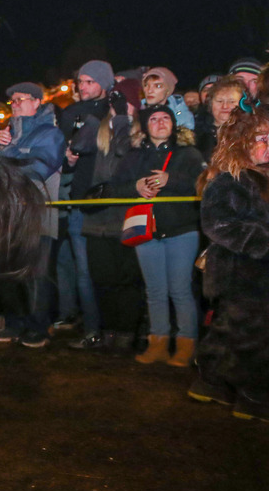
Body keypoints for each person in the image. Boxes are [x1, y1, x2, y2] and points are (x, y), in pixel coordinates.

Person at [108, 105, 202, 366]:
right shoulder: (134, 156)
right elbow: (115, 188)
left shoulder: (189, 154)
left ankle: (186, 344)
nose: (160, 123)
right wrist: (135, 186)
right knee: (155, 290)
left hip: (182, 230)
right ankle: (157, 343)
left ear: (173, 124)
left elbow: (203, 184)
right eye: (154, 119)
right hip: (146, 231)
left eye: (165, 118)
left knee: (180, 289)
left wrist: (170, 180)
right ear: (146, 126)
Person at [190, 109, 269, 419]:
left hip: (256, 272)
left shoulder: (263, 178)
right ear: (241, 142)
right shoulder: (229, 180)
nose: (268, 145)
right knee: (254, 334)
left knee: (231, 328)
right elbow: (218, 224)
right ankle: (254, 396)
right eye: (261, 138)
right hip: (242, 271)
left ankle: (210, 382)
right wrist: (263, 242)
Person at [0, 81, 65, 348]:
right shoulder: (5, 135)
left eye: (21, 99)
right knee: (4, 273)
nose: (15, 104)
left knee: (36, 276)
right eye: (13, 101)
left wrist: (6, 157)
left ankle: (39, 326)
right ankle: (14, 323)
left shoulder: (50, 134)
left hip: (37, 216)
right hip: (6, 216)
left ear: (37, 102)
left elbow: (38, 169)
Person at [76, 78, 146, 352]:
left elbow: (123, 153)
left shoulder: (139, 133)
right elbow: (78, 146)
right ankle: (109, 329)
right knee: (102, 279)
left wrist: (122, 121)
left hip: (123, 219)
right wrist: (97, 116)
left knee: (126, 280)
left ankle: (127, 331)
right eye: (115, 102)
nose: (117, 106)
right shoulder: (101, 129)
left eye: (124, 102)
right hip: (96, 218)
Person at [55, 61, 115, 344]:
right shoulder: (70, 113)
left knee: (103, 267)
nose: (83, 87)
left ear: (104, 84)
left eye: (90, 81)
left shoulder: (113, 112)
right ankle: (89, 326)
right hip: (78, 197)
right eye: (81, 81)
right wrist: (67, 160)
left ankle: (109, 326)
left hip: (109, 200)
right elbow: (61, 154)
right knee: (80, 268)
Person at [195, 77, 245, 162]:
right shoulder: (197, 136)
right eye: (219, 101)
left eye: (231, 102)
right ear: (210, 104)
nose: (225, 106)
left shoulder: (249, 134)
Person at [142, 67, 195, 132]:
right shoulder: (135, 111)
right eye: (146, 85)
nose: (149, 90)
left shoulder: (183, 117)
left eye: (158, 86)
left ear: (168, 90)